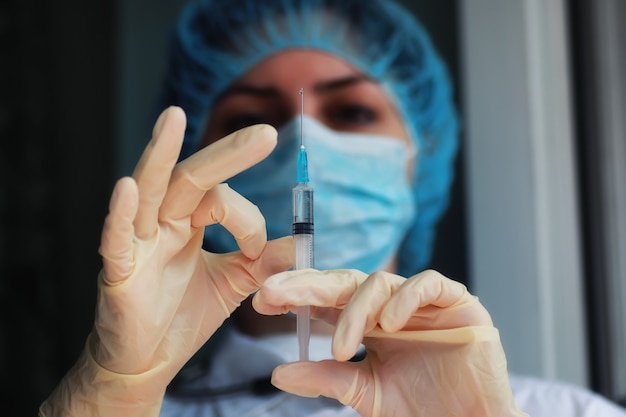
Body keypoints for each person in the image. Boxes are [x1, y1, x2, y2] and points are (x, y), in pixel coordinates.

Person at [39, 0, 626, 416]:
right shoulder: (135, 408)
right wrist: (110, 400)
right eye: (250, 119)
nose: (303, 140)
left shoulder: (558, 411)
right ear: (198, 155)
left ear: (420, 156)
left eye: (351, 113)